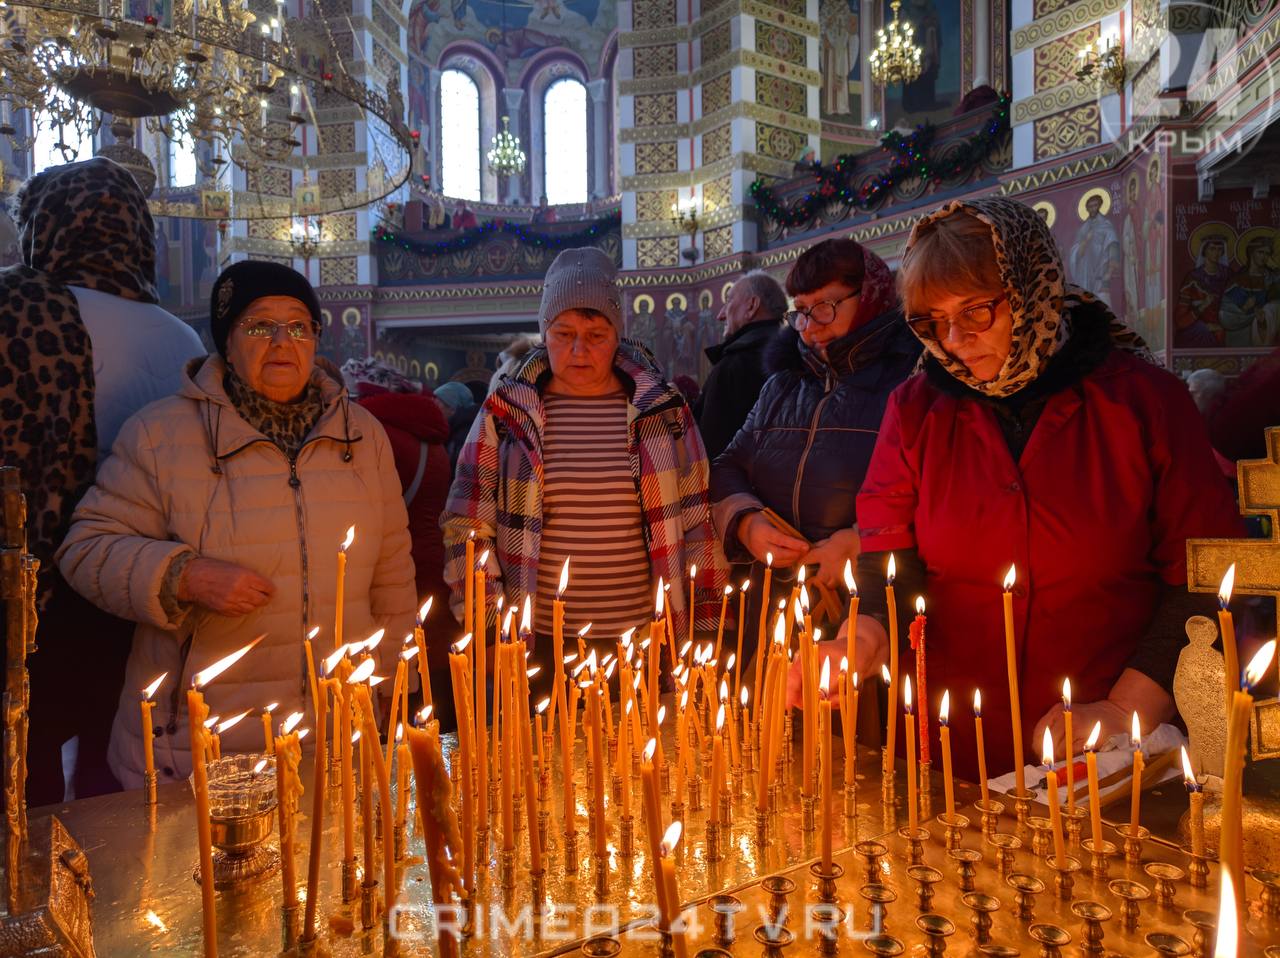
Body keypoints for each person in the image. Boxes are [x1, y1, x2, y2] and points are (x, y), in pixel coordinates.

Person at [830, 197, 1242, 780]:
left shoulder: (1142, 402)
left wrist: (1125, 707)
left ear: (1030, 290)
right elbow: (888, 560)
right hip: (952, 748)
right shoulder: (915, 409)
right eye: (930, 321)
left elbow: (1206, 579)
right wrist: (862, 636)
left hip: (1103, 752)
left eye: (975, 312)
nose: (952, 342)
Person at [57, 261, 416, 790]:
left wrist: (390, 678)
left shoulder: (362, 436)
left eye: (298, 326)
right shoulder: (161, 435)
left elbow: (390, 568)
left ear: (316, 339)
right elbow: (84, 549)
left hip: (333, 729)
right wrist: (182, 576)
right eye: (258, 325)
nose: (280, 341)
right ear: (227, 341)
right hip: (198, 743)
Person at [4, 157, 206, 804]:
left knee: (23, 764)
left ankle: (28, 895)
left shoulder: (16, 309)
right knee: (116, 760)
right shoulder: (180, 337)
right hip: (149, 585)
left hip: (33, 593)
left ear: (47, 225)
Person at [441, 247, 727, 678]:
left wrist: (705, 629)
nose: (578, 350)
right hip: (538, 647)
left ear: (618, 335)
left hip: (645, 642)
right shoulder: (506, 415)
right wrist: (490, 627)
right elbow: (467, 527)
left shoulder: (663, 411)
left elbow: (697, 525)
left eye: (595, 335)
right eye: (562, 333)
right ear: (544, 333)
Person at [710, 238, 920, 648]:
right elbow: (728, 465)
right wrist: (747, 522)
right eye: (802, 312)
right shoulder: (782, 385)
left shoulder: (909, 381)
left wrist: (860, 540)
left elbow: (936, 490)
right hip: (779, 603)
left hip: (868, 604)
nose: (812, 326)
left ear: (871, 297)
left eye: (826, 306)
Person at [343, 358, 455, 726]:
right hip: (436, 569)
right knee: (440, 682)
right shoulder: (428, 435)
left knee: (410, 701)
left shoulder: (378, 437)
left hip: (398, 574)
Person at [694, 271, 786, 460]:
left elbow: (712, 450)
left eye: (728, 301)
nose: (720, 315)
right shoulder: (799, 357)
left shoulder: (733, 366)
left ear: (751, 306)